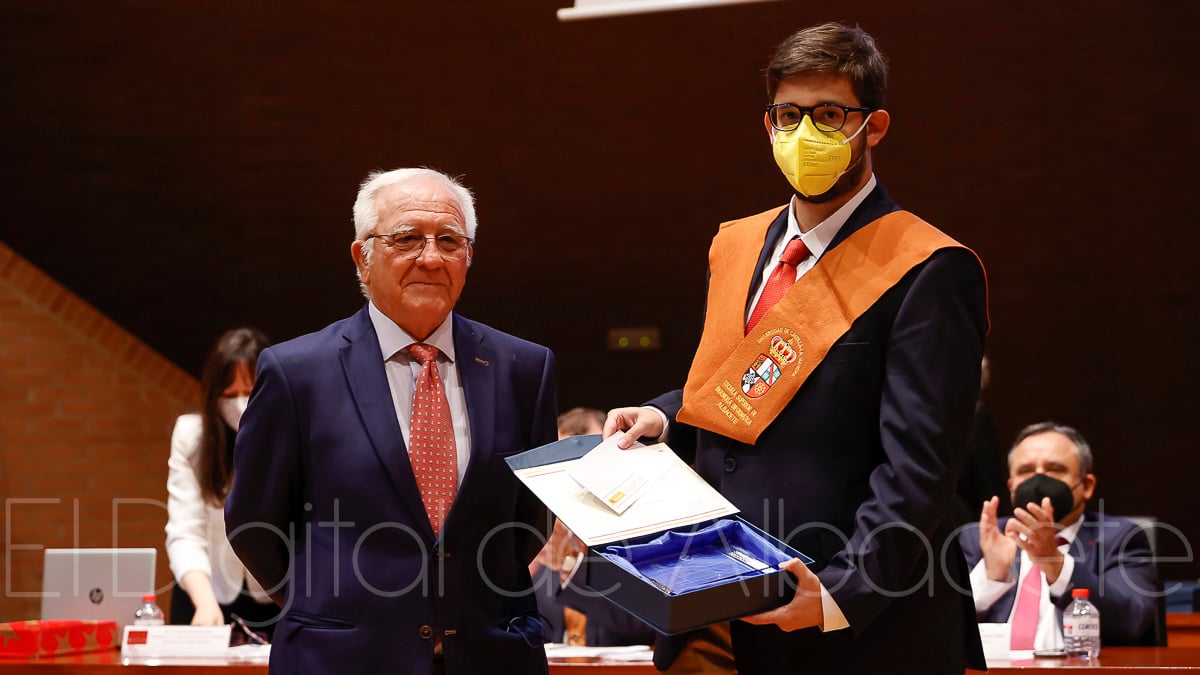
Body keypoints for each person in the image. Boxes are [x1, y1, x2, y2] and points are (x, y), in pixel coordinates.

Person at [604, 22, 989, 674]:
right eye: (790, 114)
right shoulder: (735, 244)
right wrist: (668, 413)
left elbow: (920, 470)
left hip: (859, 626)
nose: (806, 133)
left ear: (875, 126)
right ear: (769, 124)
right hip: (720, 610)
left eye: (830, 114)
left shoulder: (927, 266)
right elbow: (755, 381)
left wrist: (842, 588)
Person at [224, 168, 558, 675]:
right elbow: (254, 522)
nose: (430, 257)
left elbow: (530, 521)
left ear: (468, 256)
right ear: (362, 255)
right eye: (406, 239)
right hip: (339, 658)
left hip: (490, 656)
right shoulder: (297, 371)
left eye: (449, 240)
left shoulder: (524, 368)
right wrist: (329, 605)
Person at [960, 422, 1160, 649]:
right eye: (1025, 471)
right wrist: (992, 576)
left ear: (1086, 485)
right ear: (1011, 485)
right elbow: (940, 628)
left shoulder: (1120, 538)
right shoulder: (980, 539)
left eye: (1055, 469)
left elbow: (1131, 622)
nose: (1038, 481)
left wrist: (1055, 563)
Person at [165, 326, 278, 635]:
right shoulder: (193, 437)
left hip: (278, 593)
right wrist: (204, 603)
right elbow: (184, 531)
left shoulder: (292, 437)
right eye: (230, 395)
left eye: (250, 391)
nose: (240, 404)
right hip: (205, 589)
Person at [530, 407, 657, 648]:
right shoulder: (539, 530)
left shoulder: (644, 527)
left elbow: (650, 625)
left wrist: (571, 564)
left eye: (583, 461)